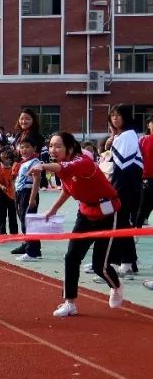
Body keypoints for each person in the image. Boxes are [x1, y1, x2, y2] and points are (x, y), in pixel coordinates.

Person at [32, 132, 124, 318]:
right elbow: (67, 189)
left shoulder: (83, 162)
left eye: (58, 146)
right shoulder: (62, 169)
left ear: (70, 148)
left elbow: (65, 168)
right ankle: (70, 303)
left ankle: (116, 286)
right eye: (51, 146)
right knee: (71, 257)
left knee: (101, 266)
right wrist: (52, 210)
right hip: (85, 212)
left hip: (107, 211)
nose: (53, 150)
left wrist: (42, 166)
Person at [105, 105, 143, 277]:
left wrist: (113, 191)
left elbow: (122, 166)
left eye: (119, 115)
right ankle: (122, 261)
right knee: (119, 224)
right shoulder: (121, 136)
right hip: (122, 186)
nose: (115, 118)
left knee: (117, 224)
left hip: (124, 188)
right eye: (112, 115)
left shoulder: (128, 135)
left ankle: (121, 262)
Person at [12, 140, 43, 261]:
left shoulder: (34, 162)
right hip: (21, 193)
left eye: (27, 147)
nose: (24, 149)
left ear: (34, 148)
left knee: (29, 223)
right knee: (26, 222)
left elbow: (36, 181)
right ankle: (35, 249)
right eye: (22, 147)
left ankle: (32, 252)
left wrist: (32, 198)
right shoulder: (23, 162)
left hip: (28, 193)